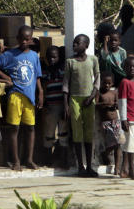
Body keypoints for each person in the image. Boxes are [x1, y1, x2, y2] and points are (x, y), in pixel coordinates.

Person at [0, 26, 43, 171]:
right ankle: (16, 160)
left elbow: (37, 76)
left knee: (30, 128)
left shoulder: (33, 56)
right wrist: (5, 77)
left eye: (27, 39)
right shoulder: (10, 55)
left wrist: (41, 92)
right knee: (14, 128)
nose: (24, 42)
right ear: (17, 39)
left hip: (30, 97)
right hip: (15, 95)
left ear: (31, 40)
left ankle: (29, 159)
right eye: (22, 39)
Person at [63, 34, 100, 177]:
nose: (74, 45)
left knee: (89, 133)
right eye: (74, 43)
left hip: (89, 100)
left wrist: (91, 97)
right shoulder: (70, 62)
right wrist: (66, 104)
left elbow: (97, 80)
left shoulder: (93, 60)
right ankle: (81, 166)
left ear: (86, 45)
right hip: (75, 100)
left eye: (78, 43)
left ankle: (90, 166)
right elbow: (66, 83)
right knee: (77, 133)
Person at [40, 45, 70, 169]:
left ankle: (63, 161)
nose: (52, 60)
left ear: (59, 57)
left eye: (54, 57)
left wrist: (66, 106)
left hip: (62, 106)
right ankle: (48, 160)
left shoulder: (63, 71)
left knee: (63, 134)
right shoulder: (45, 72)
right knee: (49, 134)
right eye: (49, 57)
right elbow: (43, 88)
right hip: (50, 107)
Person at [96, 73, 123, 176]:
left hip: (115, 121)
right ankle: (105, 153)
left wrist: (115, 105)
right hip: (106, 122)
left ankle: (117, 168)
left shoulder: (114, 92)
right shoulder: (100, 93)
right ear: (101, 83)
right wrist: (104, 105)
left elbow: (118, 104)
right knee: (113, 143)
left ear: (112, 83)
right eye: (104, 83)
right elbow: (96, 105)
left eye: (109, 83)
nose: (107, 85)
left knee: (118, 144)